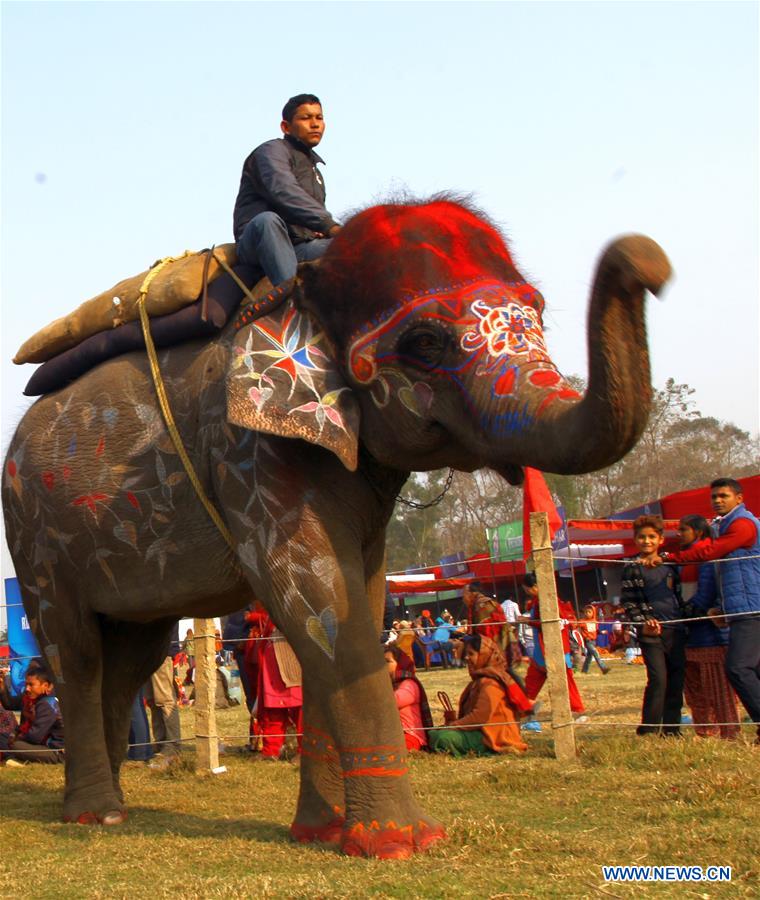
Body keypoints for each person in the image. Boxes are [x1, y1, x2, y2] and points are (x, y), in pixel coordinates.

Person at [647, 478, 760, 742]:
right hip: (740, 608)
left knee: (738, 668)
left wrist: (668, 557)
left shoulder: (742, 525)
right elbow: (728, 574)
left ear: (739, 499)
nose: (718, 500)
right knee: (752, 669)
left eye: (724, 496)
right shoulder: (723, 526)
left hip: (751, 609)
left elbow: (712, 552)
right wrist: (722, 607)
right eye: (714, 497)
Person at [233, 93, 341, 286]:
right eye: (306, 118)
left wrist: (319, 231)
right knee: (267, 221)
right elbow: (283, 189)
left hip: (297, 247)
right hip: (259, 242)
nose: (315, 124)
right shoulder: (271, 152)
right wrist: (328, 225)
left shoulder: (314, 168)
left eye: (319, 117)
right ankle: (291, 299)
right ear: (286, 127)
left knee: (356, 247)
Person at [621, 515, 694, 736]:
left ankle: (672, 730)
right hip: (650, 632)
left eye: (652, 537)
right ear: (635, 540)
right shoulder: (631, 568)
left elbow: (680, 595)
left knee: (676, 679)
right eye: (642, 537)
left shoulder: (670, 565)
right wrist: (643, 623)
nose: (647, 541)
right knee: (658, 679)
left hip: (676, 629)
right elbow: (629, 602)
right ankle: (649, 728)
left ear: (661, 539)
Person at [678, 514, 741, 739]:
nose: (679, 534)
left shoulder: (706, 558)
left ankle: (728, 731)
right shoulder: (684, 560)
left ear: (698, 532)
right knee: (696, 689)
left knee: (718, 689)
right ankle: (705, 730)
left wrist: (684, 614)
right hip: (690, 635)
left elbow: (705, 596)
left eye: (683, 530)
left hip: (711, 635)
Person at [429, 634, 531, 757]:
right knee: (432, 733)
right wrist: (453, 722)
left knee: (442, 738)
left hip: (493, 738)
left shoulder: (491, 683)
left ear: (484, 656)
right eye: (466, 654)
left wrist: (453, 726)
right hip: (480, 732)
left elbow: (479, 717)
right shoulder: (479, 681)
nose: (466, 657)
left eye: (471, 654)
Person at [520, 573, 586, 716]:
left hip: (556, 649)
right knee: (531, 683)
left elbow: (550, 623)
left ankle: (578, 710)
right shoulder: (538, 601)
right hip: (541, 650)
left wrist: (527, 621)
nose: (527, 593)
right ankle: (523, 711)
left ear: (536, 586)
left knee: (566, 680)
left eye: (527, 589)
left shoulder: (548, 601)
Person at [0, 663, 64, 765]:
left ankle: (15, 757)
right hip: (45, 744)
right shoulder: (31, 699)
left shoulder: (47, 703)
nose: (27, 688)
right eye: (26, 684)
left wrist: (17, 736)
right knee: (7, 739)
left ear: (45, 686)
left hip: (58, 752)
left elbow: (35, 736)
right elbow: (9, 704)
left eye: (31, 685)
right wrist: (2, 687)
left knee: (16, 746)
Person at [383, 645, 434, 751]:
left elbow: (392, 702)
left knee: (390, 748)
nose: (383, 666)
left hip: (412, 736)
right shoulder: (390, 685)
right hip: (394, 734)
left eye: (387, 661)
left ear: (400, 664)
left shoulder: (410, 684)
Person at [578, 604, 611, 675]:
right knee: (596, 654)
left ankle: (584, 671)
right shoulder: (583, 621)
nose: (587, 613)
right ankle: (603, 668)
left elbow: (596, 631)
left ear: (593, 613)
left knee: (589, 658)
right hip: (588, 641)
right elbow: (576, 625)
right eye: (586, 612)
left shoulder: (594, 621)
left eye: (589, 612)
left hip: (593, 641)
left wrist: (601, 632)